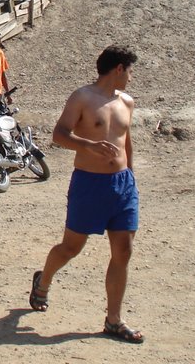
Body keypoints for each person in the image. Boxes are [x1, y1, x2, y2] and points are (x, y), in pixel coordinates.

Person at [29, 45, 143, 345]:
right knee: (70, 248)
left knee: (124, 251)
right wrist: (88, 145)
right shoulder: (83, 97)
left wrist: (130, 175)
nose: (131, 78)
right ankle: (43, 280)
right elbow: (59, 133)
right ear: (118, 69)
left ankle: (113, 321)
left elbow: (125, 141)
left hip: (122, 186)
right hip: (89, 184)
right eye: (130, 71)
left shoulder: (127, 102)